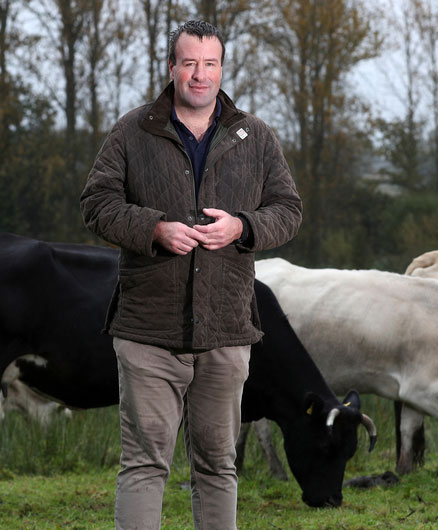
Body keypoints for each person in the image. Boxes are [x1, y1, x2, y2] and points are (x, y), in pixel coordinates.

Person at [79, 19, 302, 530]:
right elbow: (96, 203)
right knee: (144, 464)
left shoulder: (256, 137)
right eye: (189, 63)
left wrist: (243, 227)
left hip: (226, 330)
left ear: (221, 68)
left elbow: (288, 210)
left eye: (210, 64)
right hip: (147, 331)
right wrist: (152, 228)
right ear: (172, 67)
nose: (200, 75)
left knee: (219, 465)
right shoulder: (133, 130)